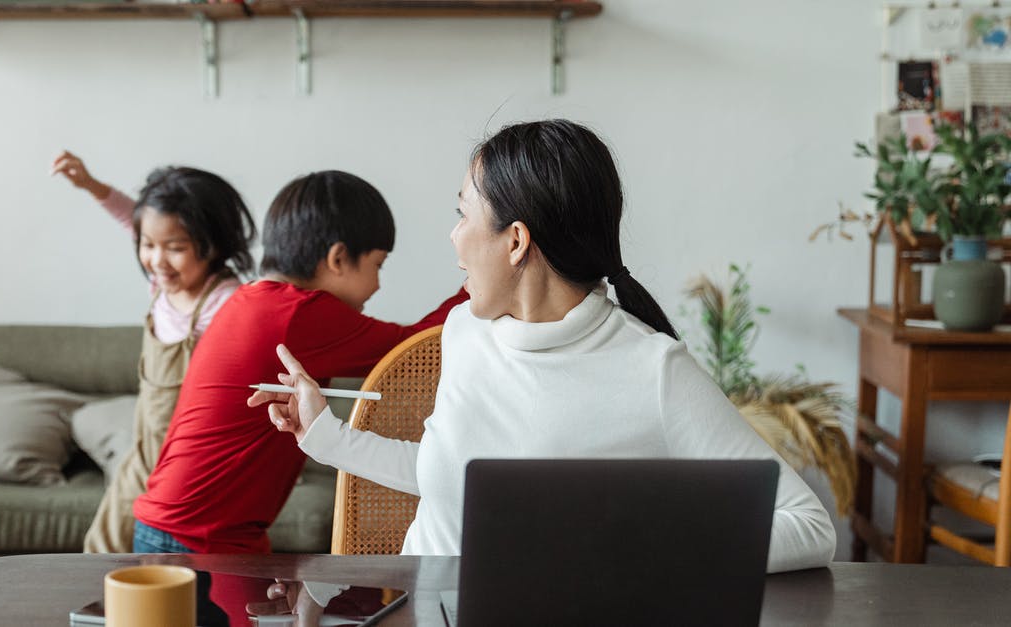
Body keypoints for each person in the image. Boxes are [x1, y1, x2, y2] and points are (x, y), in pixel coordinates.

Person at [249, 120, 837, 575]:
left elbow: (809, 526)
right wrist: (325, 435)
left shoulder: (654, 370)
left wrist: (636, 543)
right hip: (424, 610)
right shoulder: (465, 331)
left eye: (462, 214)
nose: (454, 237)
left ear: (515, 241)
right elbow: (449, 478)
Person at [132, 170, 469, 554]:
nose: (377, 285)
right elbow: (412, 352)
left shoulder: (255, 300)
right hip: (195, 538)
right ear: (338, 258)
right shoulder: (296, 314)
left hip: (184, 527)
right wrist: (477, 281)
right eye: (378, 265)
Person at [51, 151, 256, 553]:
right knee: (102, 547)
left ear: (213, 244)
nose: (157, 259)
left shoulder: (225, 303)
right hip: (143, 450)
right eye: (148, 245)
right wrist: (93, 186)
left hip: (184, 465)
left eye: (175, 247)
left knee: (151, 559)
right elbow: (135, 219)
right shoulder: (164, 285)